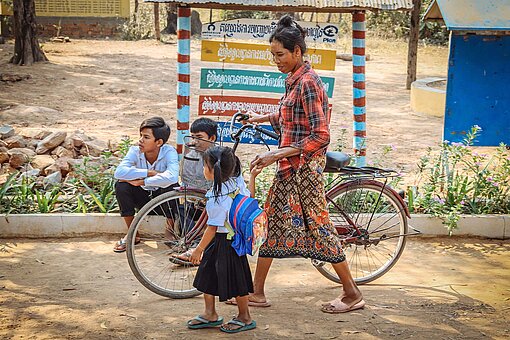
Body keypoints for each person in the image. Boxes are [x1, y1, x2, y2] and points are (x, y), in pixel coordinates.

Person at [233, 15, 364, 313]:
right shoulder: (293, 80)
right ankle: (257, 292)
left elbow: (321, 136)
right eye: (273, 56)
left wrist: (276, 155)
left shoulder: (308, 83)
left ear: (297, 52)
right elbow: (290, 117)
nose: (276, 61)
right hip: (290, 169)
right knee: (271, 222)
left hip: (305, 171)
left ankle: (352, 293)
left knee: (319, 228)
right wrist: (261, 118)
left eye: (280, 55)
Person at [186, 146, 258, 333]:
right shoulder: (236, 182)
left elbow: (211, 227)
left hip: (225, 242)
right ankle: (210, 313)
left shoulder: (217, 198)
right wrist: (253, 178)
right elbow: (250, 197)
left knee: (236, 282)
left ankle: (245, 316)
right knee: (207, 275)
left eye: (204, 166)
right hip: (234, 240)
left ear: (214, 171)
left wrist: (198, 249)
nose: (203, 170)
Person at [113, 117, 179, 252]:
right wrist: (149, 173)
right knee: (121, 186)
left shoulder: (169, 152)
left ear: (159, 142)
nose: (140, 140)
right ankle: (132, 233)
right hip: (141, 199)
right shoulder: (134, 151)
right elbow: (119, 172)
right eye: (141, 136)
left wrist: (142, 181)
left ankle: (170, 231)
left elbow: (172, 176)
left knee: (172, 186)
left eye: (146, 137)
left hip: (161, 201)